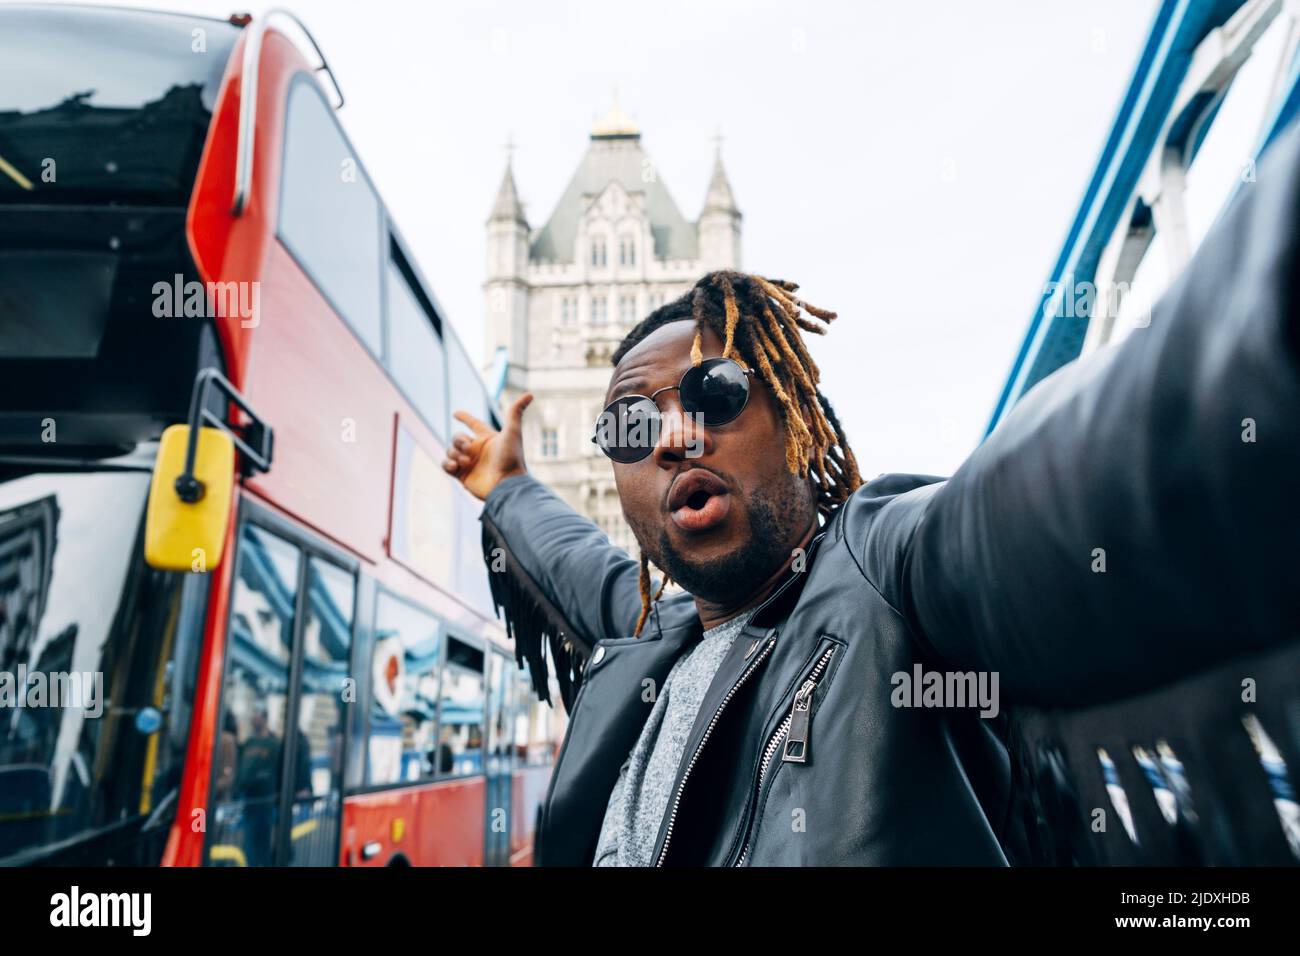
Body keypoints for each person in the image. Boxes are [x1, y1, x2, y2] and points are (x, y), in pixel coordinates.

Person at [442, 122, 1300, 866]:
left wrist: (1259, 334)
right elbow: (578, 564)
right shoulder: (648, 641)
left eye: (716, 395)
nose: (672, 437)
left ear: (797, 421)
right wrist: (507, 487)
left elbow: (1061, 494)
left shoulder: (886, 579)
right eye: (633, 427)